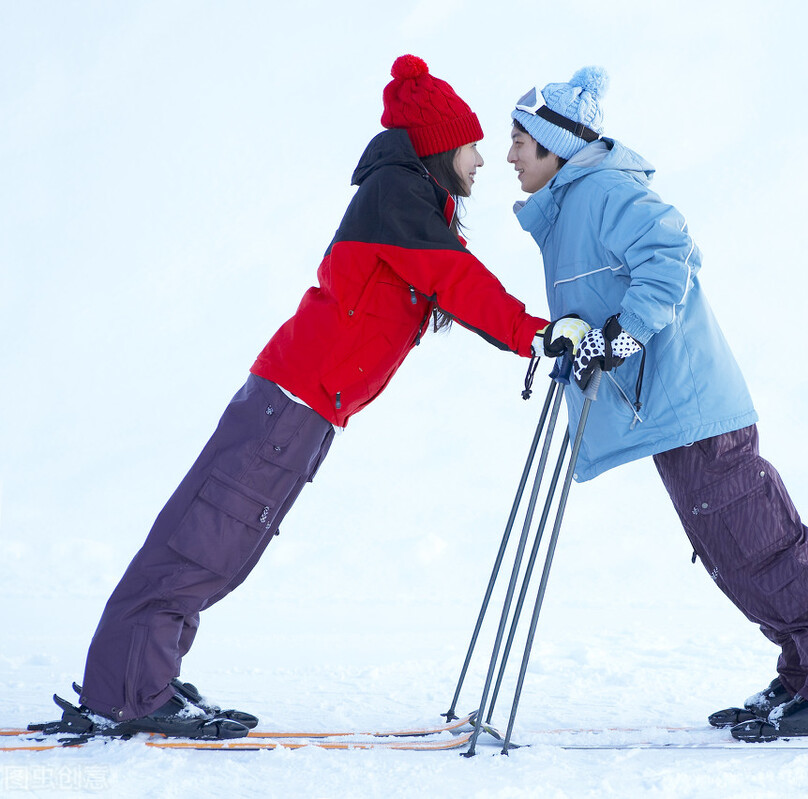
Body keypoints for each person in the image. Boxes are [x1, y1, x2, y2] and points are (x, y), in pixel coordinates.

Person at [45, 55, 589, 741]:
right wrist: (535, 334)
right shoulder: (397, 194)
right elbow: (456, 280)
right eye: (471, 145)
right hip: (290, 403)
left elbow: (447, 280)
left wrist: (531, 335)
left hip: (300, 407)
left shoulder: (409, 198)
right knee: (203, 543)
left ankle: (142, 676)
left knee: (218, 546)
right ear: (438, 147)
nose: (481, 160)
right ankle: (128, 691)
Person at [506, 67, 808, 740]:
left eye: (521, 140)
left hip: (692, 407)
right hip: (672, 413)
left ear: (556, 145)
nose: (509, 155)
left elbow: (672, 254)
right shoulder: (577, 201)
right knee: (737, 549)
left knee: (760, 545)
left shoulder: (604, 189)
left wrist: (624, 332)